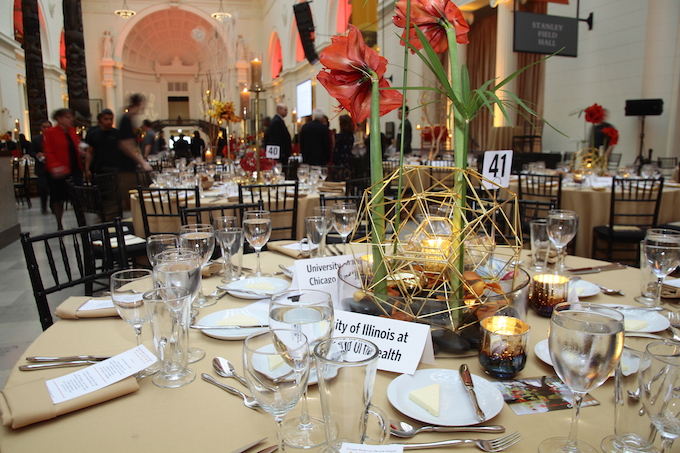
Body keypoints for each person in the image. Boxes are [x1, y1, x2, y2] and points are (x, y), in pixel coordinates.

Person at [43, 108, 83, 230]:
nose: (71, 119)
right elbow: (48, 151)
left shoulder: (72, 131)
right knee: (58, 197)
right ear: (59, 119)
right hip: (59, 170)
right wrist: (56, 166)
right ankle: (59, 223)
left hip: (74, 168)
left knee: (78, 196)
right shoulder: (50, 132)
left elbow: (75, 146)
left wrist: (81, 150)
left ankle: (82, 222)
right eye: (67, 117)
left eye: (71, 117)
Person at [118, 94, 152, 209]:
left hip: (130, 166)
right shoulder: (125, 119)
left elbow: (132, 144)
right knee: (132, 201)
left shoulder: (130, 120)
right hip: (126, 168)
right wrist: (142, 162)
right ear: (138, 104)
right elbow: (125, 144)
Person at [83, 109, 123, 180]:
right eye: (106, 119)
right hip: (98, 168)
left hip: (115, 168)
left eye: (111, 119)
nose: (109, 121)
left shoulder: (118, 134)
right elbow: (90, 152)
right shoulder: (94, 134)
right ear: (101, 119)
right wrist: (87, 169)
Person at [28, 120, 52, 214]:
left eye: (48, 127)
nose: (46, 129)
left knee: (54, 188)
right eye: (44, 127)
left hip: (52, 167)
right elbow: (31, 151)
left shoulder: (55, 138)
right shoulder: (36, 139)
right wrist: (37, 155)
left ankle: (54, 206)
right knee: (43, 188)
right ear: (41, 128)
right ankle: (44, 207)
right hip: (41, 168)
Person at [333, 114, 354, 180]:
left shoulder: (339, 136)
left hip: (340, 160)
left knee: (339, 178)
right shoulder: (351, 136)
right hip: (348, 160)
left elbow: (336, 149)